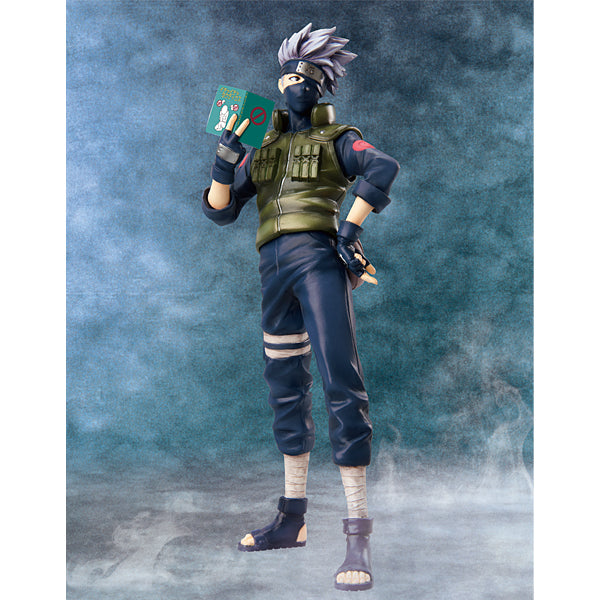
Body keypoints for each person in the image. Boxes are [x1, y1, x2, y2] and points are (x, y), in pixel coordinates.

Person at [202, 23, 399, 592]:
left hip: (317, 258)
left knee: (341, 379)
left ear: (321, 87)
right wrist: (224, 163)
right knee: (285, 383)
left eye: (305, 78)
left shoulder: (338, 140)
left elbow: (381, 166)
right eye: (287, 77)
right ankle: (292, 519)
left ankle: (357, 533)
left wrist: (349, 228)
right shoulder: (262, 150)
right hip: (273, 267)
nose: (294, 85)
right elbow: (220, 210)